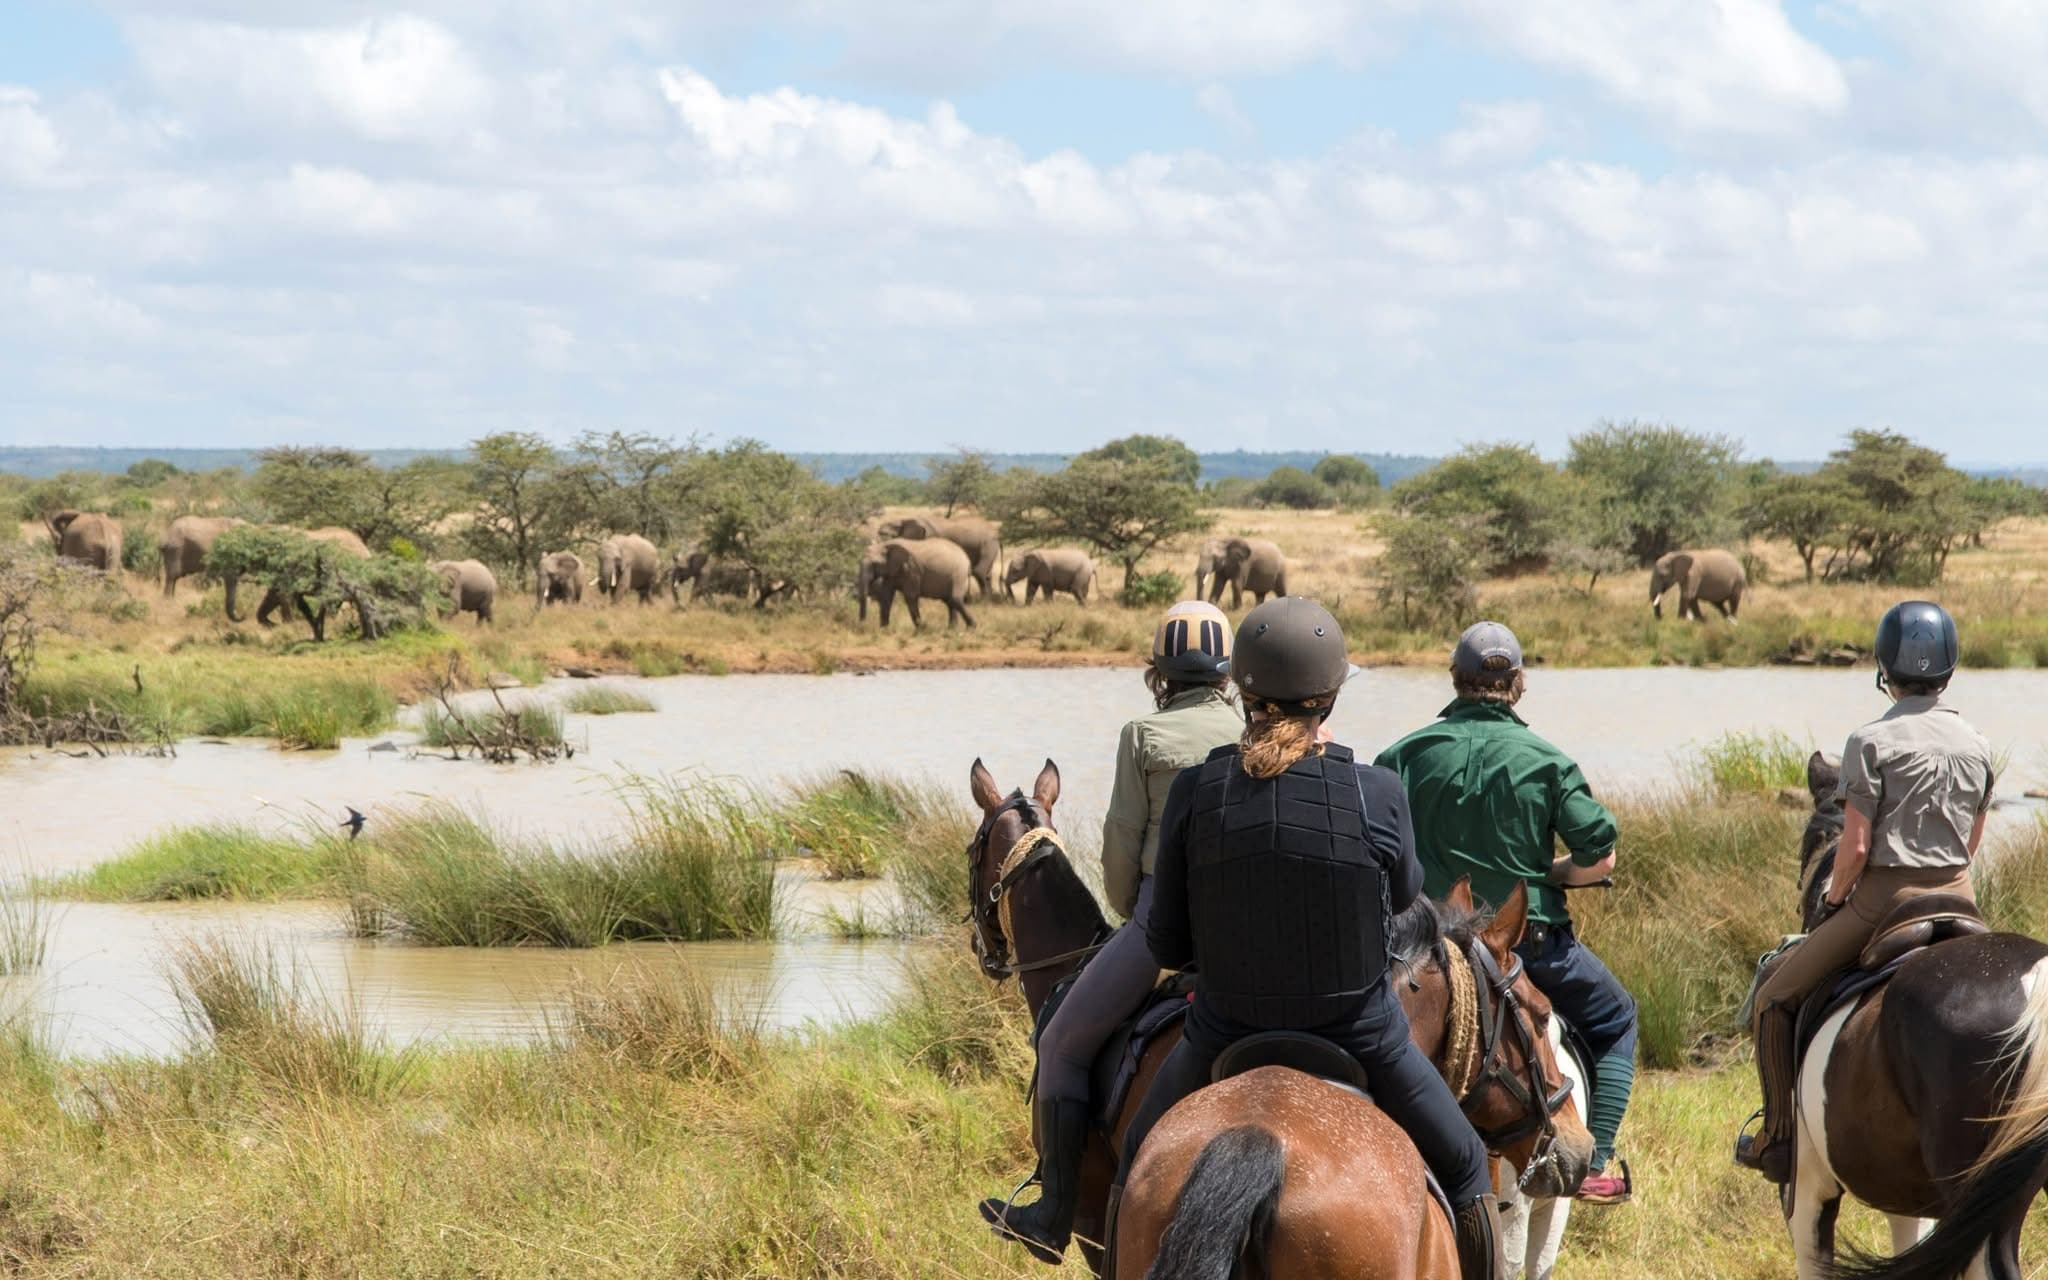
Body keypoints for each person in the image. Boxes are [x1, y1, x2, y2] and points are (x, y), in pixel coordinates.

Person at [1118, 597, 1504, 1280]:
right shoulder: (1378, 794)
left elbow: (1169, 946)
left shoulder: (1196, 791)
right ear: (1329, 696)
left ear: (1241, 690)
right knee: (1470, 1166)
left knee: (1134, 1166)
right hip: (1361, 1035)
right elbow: (1398, 912)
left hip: (1218, 1031)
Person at [980, 599, 1242, 1264]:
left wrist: (1131, 916)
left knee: (1062, 1040)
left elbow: (1122, 848)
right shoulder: (1255, 727)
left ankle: (1052, 1213)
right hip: (1250, 930)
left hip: (1164, 925)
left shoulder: (1141, 735)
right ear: (1228, 674)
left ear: (1160, 673)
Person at [1375, 621, 1637, 1204]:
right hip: (1531, 946)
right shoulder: (1548, 760)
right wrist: (1558, 874)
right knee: (1618, 1017)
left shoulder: (1402, 755)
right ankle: (1596, 1159)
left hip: (1429, 952)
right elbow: (1600, 852)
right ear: (1517, 683)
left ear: (1455, 680)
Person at [1734, 600, 1993, 1183]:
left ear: (1885, 670)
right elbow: (1972, 841)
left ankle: (1777, 1137)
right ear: (1949, 669)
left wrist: (1832, 900)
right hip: (1961, 897)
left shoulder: (1870, 740)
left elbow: (1852, 849)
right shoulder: (1977, 743)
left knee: (1774, 998)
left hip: (1883, 903)